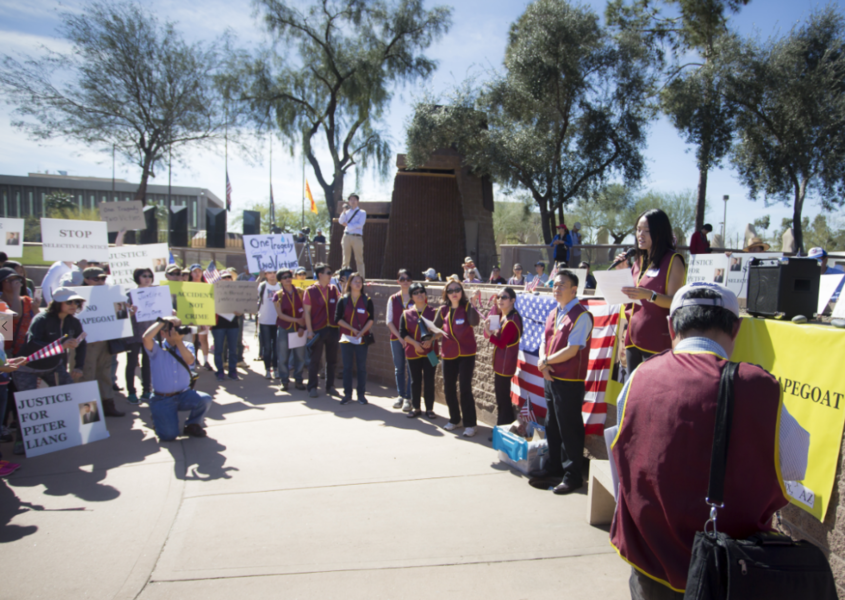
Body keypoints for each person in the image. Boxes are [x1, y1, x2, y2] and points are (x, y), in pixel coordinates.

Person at [609, 283, 809, 598]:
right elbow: (797, 464)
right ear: (736, 328)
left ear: (671, 326)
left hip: (649, 565)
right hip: (728, 571)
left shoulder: (639, 376)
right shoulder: (757, 385)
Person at [530, 270, 594, 495]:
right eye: (555, 285)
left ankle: (572, 476)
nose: (556, 289)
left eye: (562, 285)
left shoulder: (581, 315)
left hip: (569, 381)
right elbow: (544, 341)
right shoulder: (553, 312)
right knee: (552, 425)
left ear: (574, 289)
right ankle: (554, 467)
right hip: (551, 377)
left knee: (569, 428)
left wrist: (545, 362)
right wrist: (543, 363)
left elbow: (572, 349)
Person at [13, 287, 87, 454]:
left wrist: (79, 366)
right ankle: (21, 441)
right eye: (69, 302)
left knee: (71, 394)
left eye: (77, 302)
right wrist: (60, 346)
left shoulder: (74, 322)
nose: (74, 305)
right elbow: (32, 342)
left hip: (53, 366)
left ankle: (75, 431)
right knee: (28, 406)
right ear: (57, 303)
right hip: (27, 368)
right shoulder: (41, 319)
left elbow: (82, 344)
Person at [614, 208, 686, 373]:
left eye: (646, 230)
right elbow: (630, 299)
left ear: (660, 232)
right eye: (638, 230)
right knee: (632, 386)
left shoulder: (673, 260)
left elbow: (675, 301)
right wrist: (622, 273)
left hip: (657, 341)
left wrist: (650, 295)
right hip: (632, 338)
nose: (640, 235)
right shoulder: (639, 261)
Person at [143, 316, 213, 441]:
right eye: (172, 329)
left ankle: (192, 425)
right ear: (163, 333)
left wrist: (178, 341)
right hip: (162, 399)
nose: (176, 331)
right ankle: (158, 417)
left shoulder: (187, 345)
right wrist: (162, 321)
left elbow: (190, 361)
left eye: (178, 328)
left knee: (205, 399)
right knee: (169, 436)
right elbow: (146, 338)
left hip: (183, 395)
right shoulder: (156, 347)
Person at [435, 280, 481, 436]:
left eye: (457, 289)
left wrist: (473, 303)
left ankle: (471, 424)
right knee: (448, 388)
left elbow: (474, 322)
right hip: (448, 353)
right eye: (450, 290)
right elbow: (435, 328)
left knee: (465, 388)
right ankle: (455, 419)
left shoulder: (467, 307)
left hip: (466, 354)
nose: (454, 293)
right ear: (446, 293)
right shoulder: (443, 310)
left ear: (461, 291)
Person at [79, 267, 124, 417]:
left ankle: (107, 404)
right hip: (85, 343)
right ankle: (88, 413)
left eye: (103, 278)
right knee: (86, 375)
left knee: (105, 373)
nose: (100, 281)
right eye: (96, 279)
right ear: (86, 280)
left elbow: (121, 315)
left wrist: (127, 312)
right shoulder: (77, 296)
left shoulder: (112, 293)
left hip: (105, 340)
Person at [399, 282, 439, 419]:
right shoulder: (406, 314)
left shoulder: (435, 312)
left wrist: (431, 339)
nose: (419, 294)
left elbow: (442, 331)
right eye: (415, 293)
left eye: (421, 291)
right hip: (413, 352)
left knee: (430, 380)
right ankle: (416, 407)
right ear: (411, 296)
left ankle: (430, 409)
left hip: (431, 352)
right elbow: (402, 333)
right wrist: (415, 343)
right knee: (415, 380)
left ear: (425, 294)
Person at [484, 287, 523, 426]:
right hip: (501, 364)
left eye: (504, 297)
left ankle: (503, 427)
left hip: (505, 365)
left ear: (512, 300)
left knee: (503, 399)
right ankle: (504, 427)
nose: (500, 300)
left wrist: (489, 333)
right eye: (499, 297)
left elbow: (501, 344)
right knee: (501, 398)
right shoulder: (506, 316)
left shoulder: (512, 320)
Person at [335, 273, 374, 405]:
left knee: (361, 367)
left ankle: (361, 394)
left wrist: (362, 332)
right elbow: (337, 319)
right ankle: (347, 394)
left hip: (361, 338)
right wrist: (351, 329)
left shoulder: (367, 300)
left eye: (360, 282)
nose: (358, 284)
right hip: (346, 337)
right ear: (350, 284)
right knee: (347, 367)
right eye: (355, 281)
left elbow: (371, 319)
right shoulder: (343, 299)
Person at [304, 263, 340, 398]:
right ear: (320, 275)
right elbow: (307, 312)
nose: (331, 276)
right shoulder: (310, 291)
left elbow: (341, 302)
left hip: (332, 328)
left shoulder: (333, 289)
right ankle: (312, 387)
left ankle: (330, 386)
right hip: (317, 330)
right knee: (315, 360)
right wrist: (309, 331)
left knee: (332, 360)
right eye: (328, 273)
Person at [273, 268, 307, 392]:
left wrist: (302, 326)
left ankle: (298, 380)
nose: (287, 279)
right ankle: (284, 381)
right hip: (284, 328)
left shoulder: (301, 292)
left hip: (299, 329)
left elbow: (306, 310)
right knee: (283, 357)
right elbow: (280, 315)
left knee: (300, 356)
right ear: (280, 280)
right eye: (284, 277)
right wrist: (297, 320)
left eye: (289, 276)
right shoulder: (278, 295)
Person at [124, 268, 154, 404]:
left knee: (147, 364)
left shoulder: (156, 293)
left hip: (149, 334)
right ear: (137, 278)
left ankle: (147, 390)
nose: (147, 278)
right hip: (133, 335)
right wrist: (130, 313)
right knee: (132, 364)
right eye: (144, 276)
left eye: (150, 276)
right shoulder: (128, 295)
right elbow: (121, 316)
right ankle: (131, 392)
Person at [386, 269, 414, 411]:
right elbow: (389, 321)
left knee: (411, 368)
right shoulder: (393, 299)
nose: (405, 282)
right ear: (398, 281)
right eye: (402, 279)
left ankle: (409, 397)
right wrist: (400, 337)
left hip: (412, 340)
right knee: (399, 368)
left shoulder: (417, 297)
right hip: (396, 339)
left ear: (411, 281)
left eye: (408, 279)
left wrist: (408, 339)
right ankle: (400, 395)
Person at [211, 271, 242, 381]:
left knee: (233, 349)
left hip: (233, 325)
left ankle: (232, 371)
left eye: (229, 277)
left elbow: (242, 308)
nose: (227, 279)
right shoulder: (213, 292)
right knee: (219, 350)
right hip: (218, 325)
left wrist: (240, 312)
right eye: (224, 277)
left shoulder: (237, 293)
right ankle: (220, 371)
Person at [0, 267, 35, 358]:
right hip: (8, 351)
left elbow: (37, 320)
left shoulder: (27, 301)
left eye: (16, 279)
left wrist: (35, 307)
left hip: (27, 349)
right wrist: (16, 293)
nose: (14, 283)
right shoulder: (1, 304)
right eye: (9, 280)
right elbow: (16, 315)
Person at [257, 269, 281, 379]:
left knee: (276, 348)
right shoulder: (262, 285)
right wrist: (259, 277)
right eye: (269, 273)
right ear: (265, 275)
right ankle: (267, 370)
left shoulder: (280, 286)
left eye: (274, 272)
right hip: (265, 321)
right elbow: (251, 291)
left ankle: (276, 369)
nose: (272, 275)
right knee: (267, 348)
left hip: (278, 321)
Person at [189, 264, 214, 371]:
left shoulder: (206, 286)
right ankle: (192, 360)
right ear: (191, 273)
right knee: (191, 339)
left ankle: (206, 361)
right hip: (190, 317)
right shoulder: (186, 286)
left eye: (199, 271)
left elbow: (210, 303)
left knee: (203, 339)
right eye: (195, 272)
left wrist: (209, 318)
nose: (197, 274)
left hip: (203, 317)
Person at [338, 193, 367, 278]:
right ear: (349, 201)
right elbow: (340, 221)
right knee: (345, 259)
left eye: (354, 199)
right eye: (351, 200)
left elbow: (360, 224)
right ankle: (344, 278)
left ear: (357, 201)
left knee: (359, 259)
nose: (352, 201)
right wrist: (344, 211)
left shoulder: (362, 212)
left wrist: (348, 225)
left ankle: (361, 278)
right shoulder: (346, 212)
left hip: (357, 237)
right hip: (346, 236)